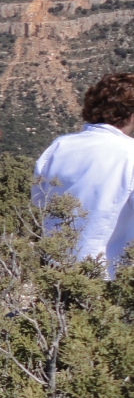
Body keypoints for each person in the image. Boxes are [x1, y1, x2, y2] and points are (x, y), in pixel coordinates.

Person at [33, 73, 134, 278]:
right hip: (108, 275)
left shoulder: (59, 146)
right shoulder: (130, 154)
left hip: (55, 268)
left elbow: (38, 201)